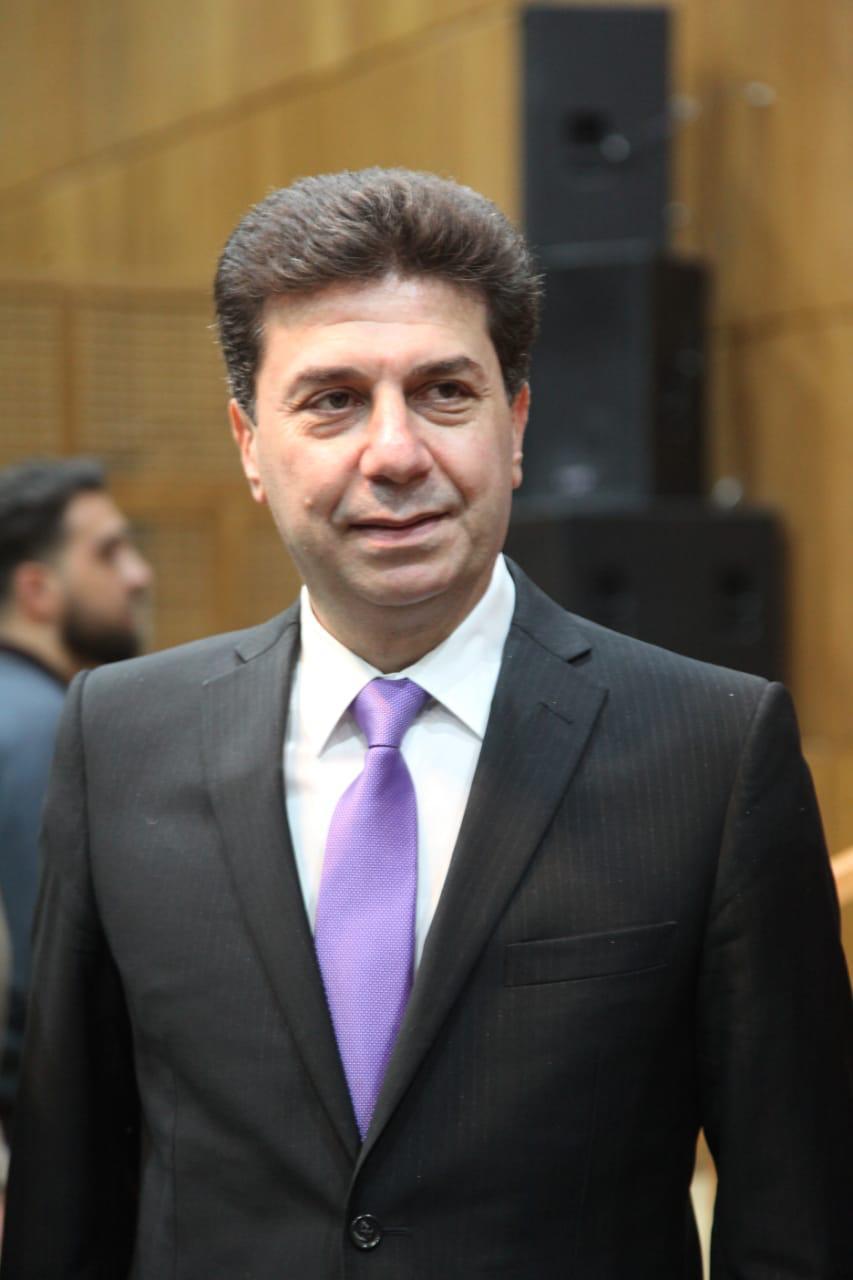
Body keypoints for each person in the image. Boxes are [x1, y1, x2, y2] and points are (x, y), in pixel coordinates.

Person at [2, 170, 851, 1279]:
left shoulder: (712, 750)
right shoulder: (118, 737)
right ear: (250, 442)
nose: (395, 452)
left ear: (516, 424)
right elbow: (68, 1195)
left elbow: (798, 1218)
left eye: (444, 391)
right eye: (332, 399)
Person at [0, 458, 152, 1140]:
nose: (138, 575)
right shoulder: (47, 733)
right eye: (109, 552)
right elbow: (50, 991)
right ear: (38, 590)